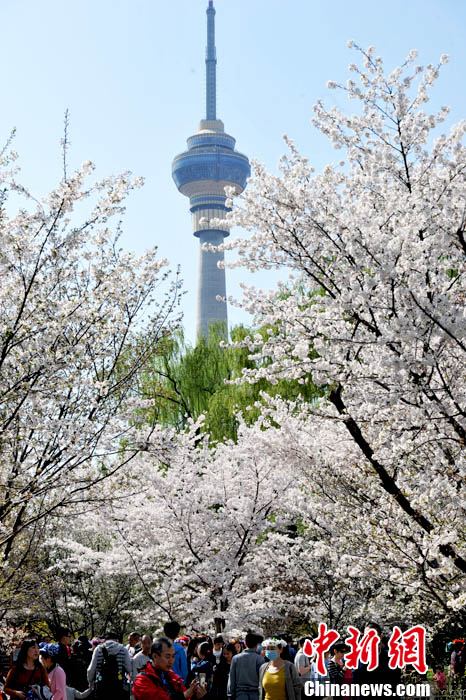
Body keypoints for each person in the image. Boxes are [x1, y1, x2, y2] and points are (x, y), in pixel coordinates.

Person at [132, 637, 207, 700]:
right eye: (167, 657)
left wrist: (195, 695)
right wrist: (184, 695)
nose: (171, 661)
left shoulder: (171, 675)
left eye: (173, 656)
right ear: (155, 656)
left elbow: (185, 694)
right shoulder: (142, 679)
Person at [87, 632, 131, 699]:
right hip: (118, 686)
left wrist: (90, 682)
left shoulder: (98, 649)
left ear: (105, 640)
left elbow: (91, 669)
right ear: (116, 640)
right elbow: (129, 668)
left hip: (102, 686)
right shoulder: (123, 649)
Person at [227, 633, 265, 700]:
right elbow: (262, 679)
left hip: (240, 694)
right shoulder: (260, 659)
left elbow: (232, 678)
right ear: (256, 645)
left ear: (245, 644)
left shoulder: (236, 658)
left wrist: (230, 693)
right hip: (256, 694)